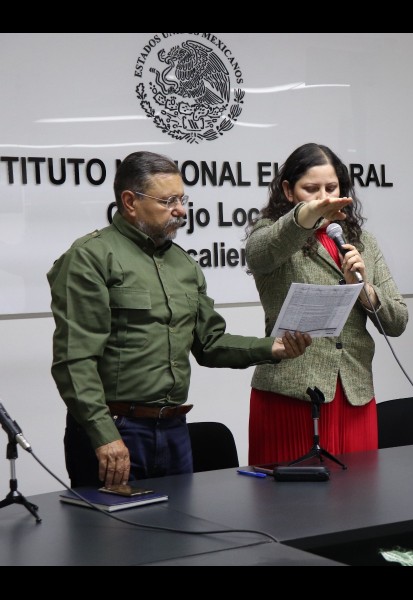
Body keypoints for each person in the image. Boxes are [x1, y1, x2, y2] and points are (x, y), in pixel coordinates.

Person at [47, 150, 312, 489]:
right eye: (168, 201)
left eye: (182, 199)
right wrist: (104, 435)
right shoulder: (90, 258)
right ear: (130, 202)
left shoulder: (184, 265)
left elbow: (210, 344)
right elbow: (75, 360)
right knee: (113, 525)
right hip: (115, 429)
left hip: (174, 430)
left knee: (183, 524)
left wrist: (274, 348)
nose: (181, 210)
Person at [244, 142, 408, 465]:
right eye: (311, 189)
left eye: (331, 188)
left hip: (354, 394)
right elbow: (260, 254)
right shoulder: (272, 234)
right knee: (291, 495)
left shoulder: (362, 241)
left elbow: (398, 321)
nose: (324, 198)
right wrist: (305, 216)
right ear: (288, 191)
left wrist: (363, 289)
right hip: (291, 395)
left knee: (359, 492)